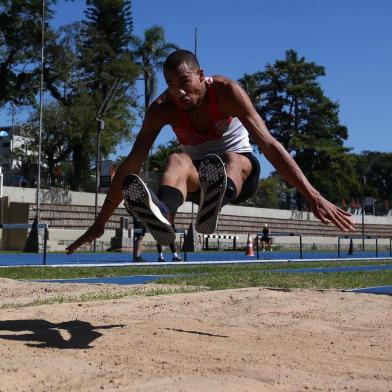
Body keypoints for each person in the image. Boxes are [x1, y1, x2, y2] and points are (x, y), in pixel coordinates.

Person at [66, 49, 354, 254]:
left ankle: (215, 199)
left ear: (201, 76)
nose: (178, 93)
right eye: (170, 85)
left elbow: (269, 144)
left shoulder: (227, 92)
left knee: (227, 159)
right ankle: (164, 214)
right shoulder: (162, 108)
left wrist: (312, 196)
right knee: (176, 159)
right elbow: (131, 164)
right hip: (196, 178)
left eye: (184, 83)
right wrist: (100, 223)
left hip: (240, 172)